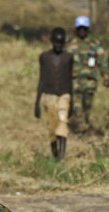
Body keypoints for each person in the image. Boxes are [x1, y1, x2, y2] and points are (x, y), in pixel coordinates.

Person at [35, 27, 73, 160]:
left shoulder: (68, 57)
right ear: (51, 41)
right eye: (56, 42)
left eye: (61, 43)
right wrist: (37, 103)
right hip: (49, 95)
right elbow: (42, 79)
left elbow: (70, 79)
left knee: (63, 123)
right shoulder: (45, 57)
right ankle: (55, 155)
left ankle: (61, 158)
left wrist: (71, 102)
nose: (58, 45)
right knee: (52, 128)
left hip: (64, 94)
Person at [68, 16, 106, 134]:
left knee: (87, 107)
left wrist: (106, 76)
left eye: (84, 29)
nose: (82, 31)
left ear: (88, 29)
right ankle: (81, 130)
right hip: (75, 82)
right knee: (77, 107)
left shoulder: (95, 44)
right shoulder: (70, 45)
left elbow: (101, 62)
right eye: (80, 29)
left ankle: (85, 125)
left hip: (90, 82)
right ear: (76, 29)